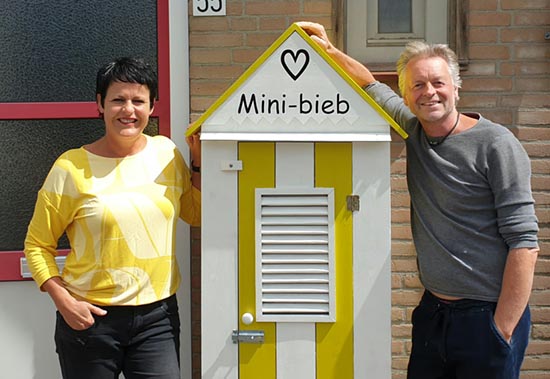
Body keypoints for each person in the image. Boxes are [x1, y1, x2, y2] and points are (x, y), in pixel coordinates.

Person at [297, 22, 539, 379]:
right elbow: (370, 86)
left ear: (457, 87)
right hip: (433, 313)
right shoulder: (414, 131)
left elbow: (525, 242)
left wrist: (501, 327)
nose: (430, 93)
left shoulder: (496, 144)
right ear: (407, 95)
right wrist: (328, 49)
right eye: (418, 85)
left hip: (485, 316)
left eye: (438, 83)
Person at [24, 57, 201, 379]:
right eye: (118, 100)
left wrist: (199, 166)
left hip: (157, 318)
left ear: (152, 106)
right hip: (90, 321)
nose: (128, 110)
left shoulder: (166, 153)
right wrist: (64, 301)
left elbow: (195, 215)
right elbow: (37, 245)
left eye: (138, 100)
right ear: (100, 105)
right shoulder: (71, 167)